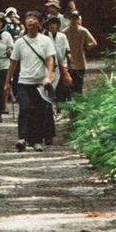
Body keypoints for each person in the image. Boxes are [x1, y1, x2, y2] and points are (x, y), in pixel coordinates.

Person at [5, 12, 56, 152]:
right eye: (28, 19)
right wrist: (8, 81)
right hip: (24, 81)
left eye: (34, 19)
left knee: (39, 112)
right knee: (24, 109)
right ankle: (22, 138)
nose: (30, 21)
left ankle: (37, 141)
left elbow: (50, 59)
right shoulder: (20, 42)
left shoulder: (45, 40)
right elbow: (13, 62)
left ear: (39, 23)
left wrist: (49, 76)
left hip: (40, 82)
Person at [44, 12, 73, 141]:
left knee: (61, 91)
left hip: (61, 66)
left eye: (55, 24)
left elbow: (67, 50)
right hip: (48, 68)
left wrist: (69, 63)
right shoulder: (44, 37)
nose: (53, 26)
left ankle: (59, 110)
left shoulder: (62, 36)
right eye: (51, 24)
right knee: (48, 93)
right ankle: (51, 113)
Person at [64, 8, 98, 94]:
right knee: (70, 84)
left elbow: (93, 43)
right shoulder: (65, 32)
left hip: (80, 62)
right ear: (69, 19)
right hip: (69, 62)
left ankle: (78, 102)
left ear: (78, 19)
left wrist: (85, 47)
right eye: (72, 18)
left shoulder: (83, 31)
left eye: (76, 18)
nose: (74, 20)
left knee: (79, 85)